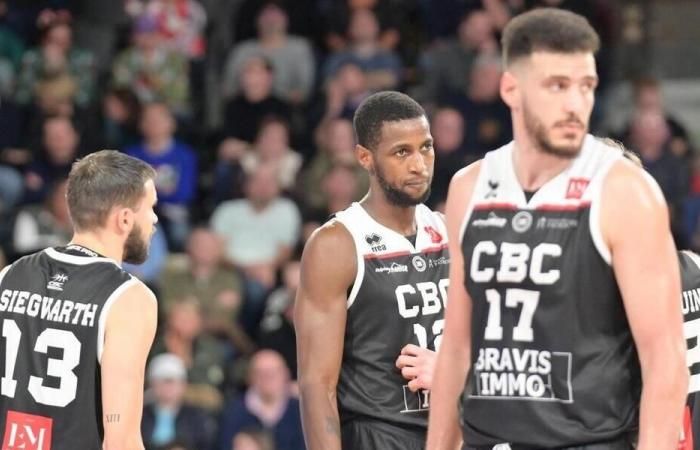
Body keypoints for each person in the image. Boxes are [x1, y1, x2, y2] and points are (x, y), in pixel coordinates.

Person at [427, 8, 687, 450]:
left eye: (586, 87)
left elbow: (665, 363)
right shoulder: (469, 188)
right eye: (557, 86)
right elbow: (456, 347)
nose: (575, 104)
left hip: (589, 440)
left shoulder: (625, 190)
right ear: (511, 88)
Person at [295, 91, 448, 450]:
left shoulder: (449, 230)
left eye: (426, 147)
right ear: (365, 158)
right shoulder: (337, 244)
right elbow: (317, 384)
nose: (419, 164)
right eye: (401, 152)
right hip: (379, 434)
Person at [0, 150, 159, 449]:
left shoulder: (9, 275)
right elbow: (121, 439)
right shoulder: (129, 298)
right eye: (150, 208)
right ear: (124, 219)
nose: (154, 219)